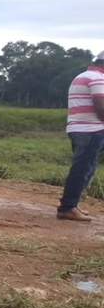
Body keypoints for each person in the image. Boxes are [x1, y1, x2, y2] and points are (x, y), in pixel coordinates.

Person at [58, 50, 104, 221]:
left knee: (87, 168)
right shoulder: (98, 78)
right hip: (90, 130)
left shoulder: (83, 76)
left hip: (79, 128)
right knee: (82, 169)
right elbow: (101, 108)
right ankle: (67, 207)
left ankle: (72, 204)